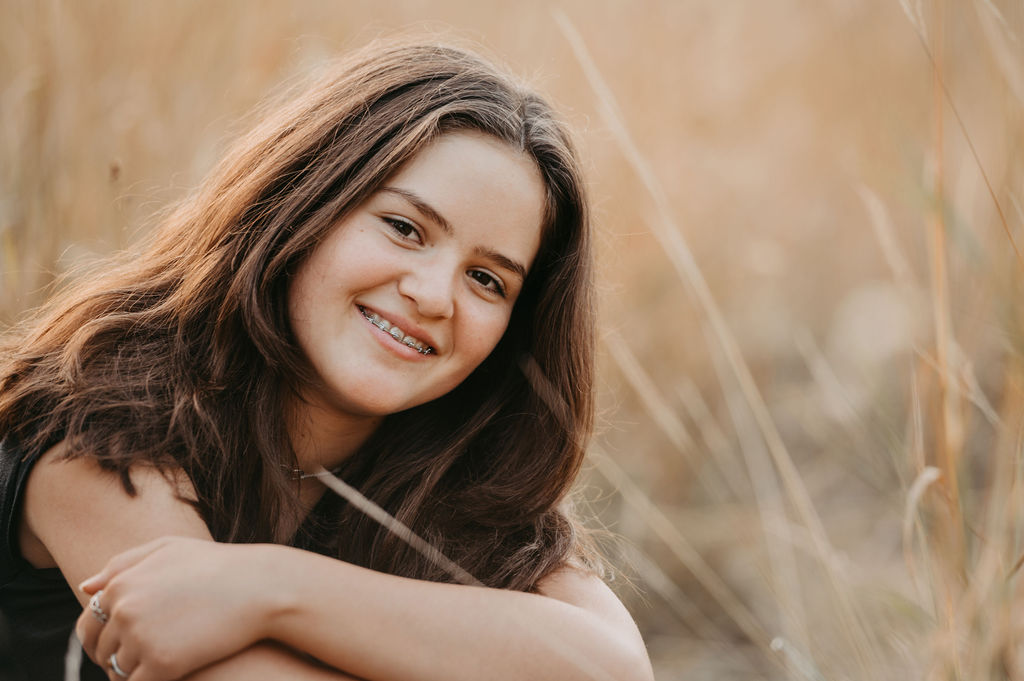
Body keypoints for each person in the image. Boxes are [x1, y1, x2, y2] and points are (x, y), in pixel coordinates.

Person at [0, 39, 654, 681]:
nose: (432, 296)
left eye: (487, 280)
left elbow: (615, 667)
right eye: (404, 228)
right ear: (306, 202)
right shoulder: (98, 423)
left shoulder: (457, 482)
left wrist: (273, 585)